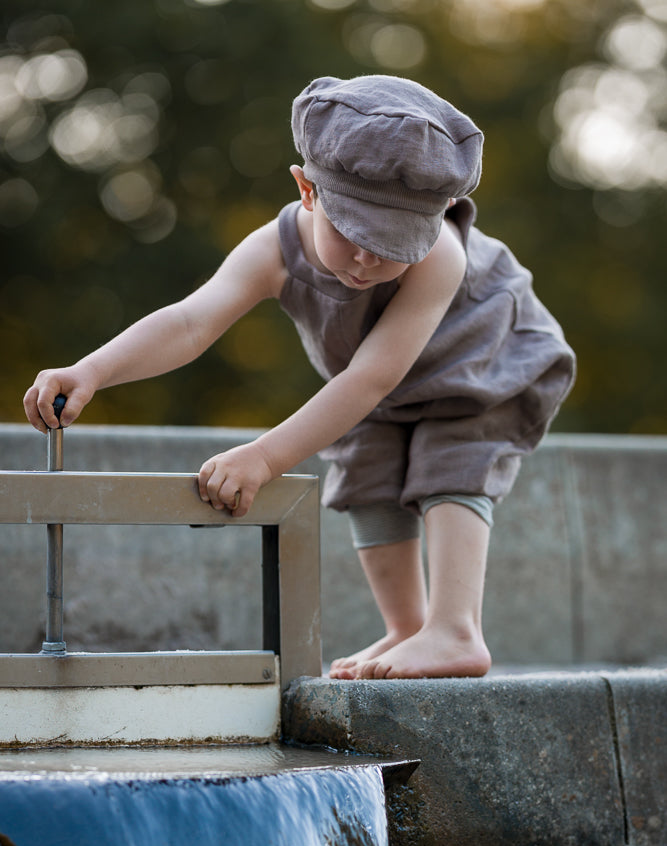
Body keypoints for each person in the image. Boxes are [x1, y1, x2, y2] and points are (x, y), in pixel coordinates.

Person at [23, 75, 575, 680]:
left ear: (440, 212)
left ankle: (455, 629)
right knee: (365, 464)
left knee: (453, 454)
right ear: (306, 189)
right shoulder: (272, 250)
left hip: (483, 356)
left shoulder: (442, 254)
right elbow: (190, 323)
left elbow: (369, 379)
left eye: (393, 244)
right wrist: (93, 370)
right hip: (385, 382)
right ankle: (408, 628)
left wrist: (263, 457)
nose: (367, 260)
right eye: (352, 235)